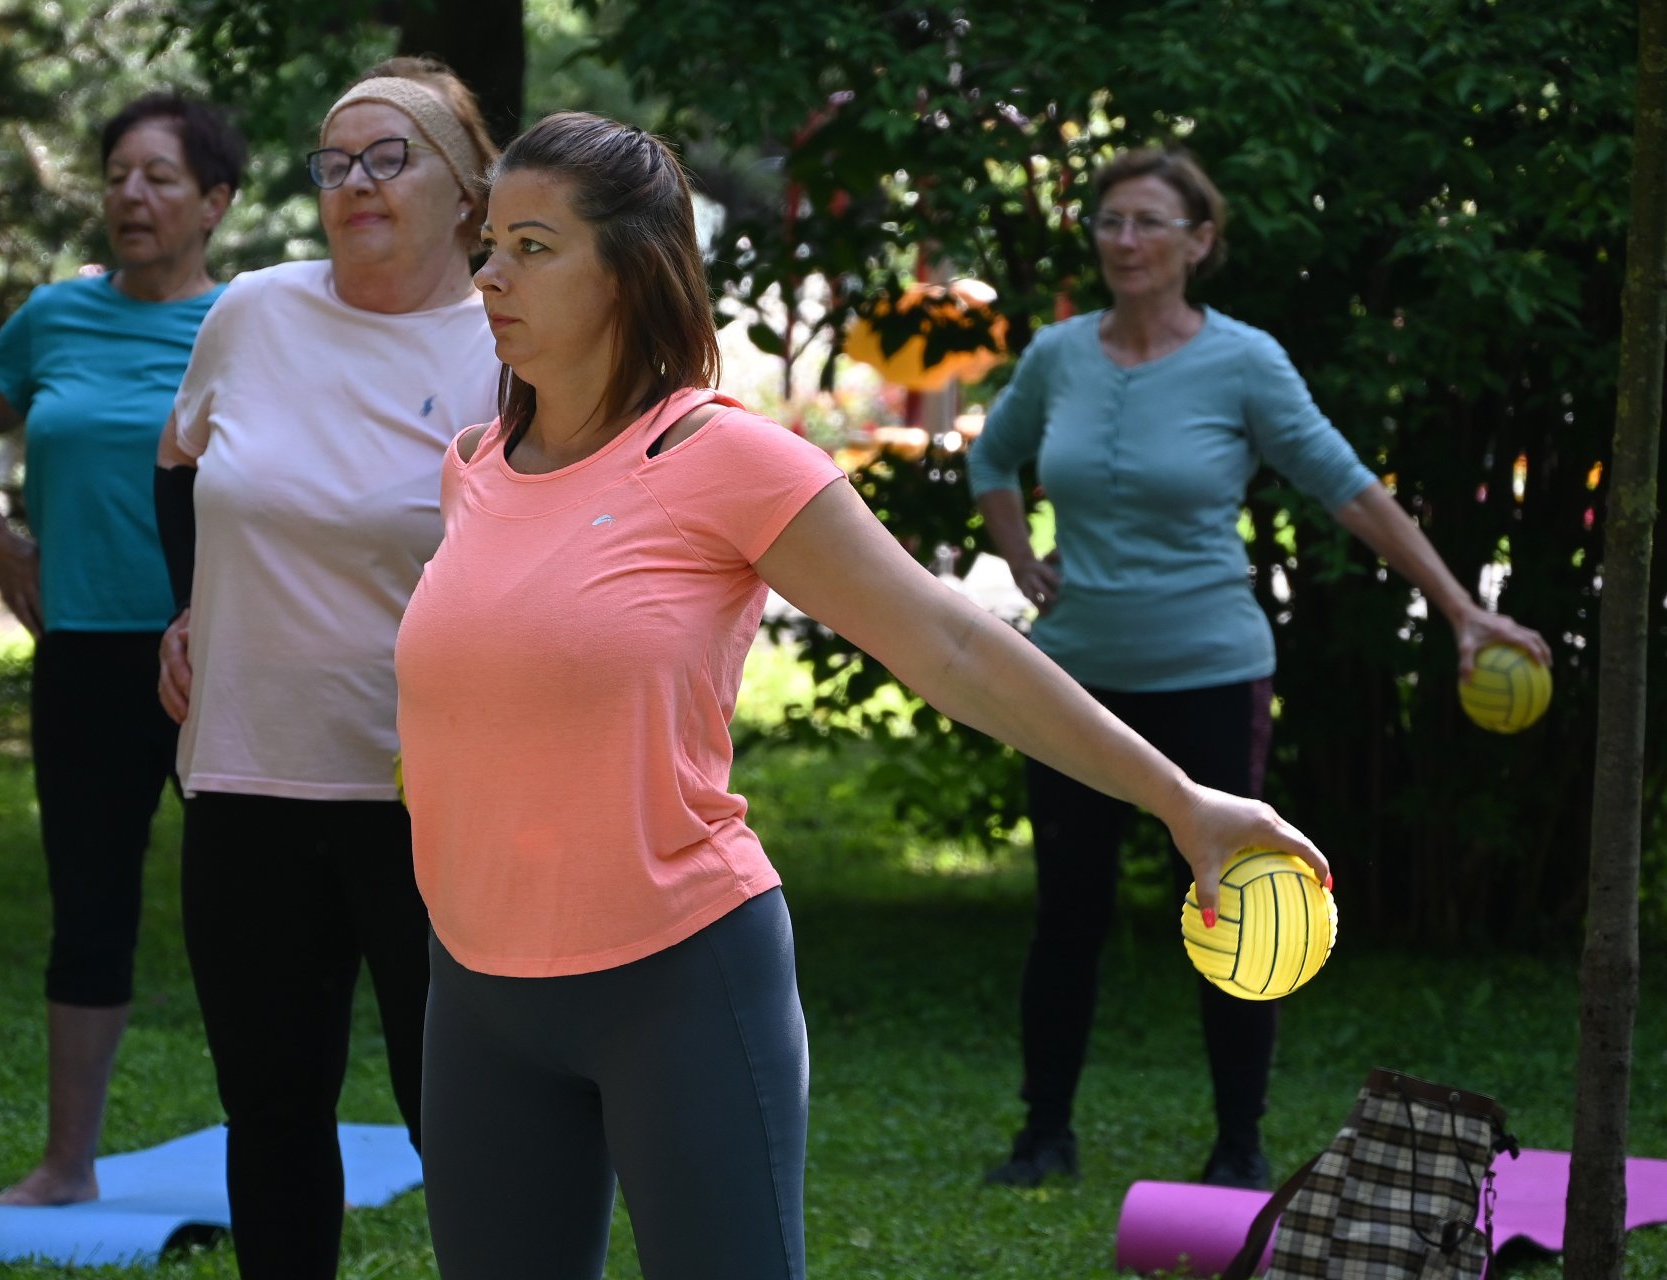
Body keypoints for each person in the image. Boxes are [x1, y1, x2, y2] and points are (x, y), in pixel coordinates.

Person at [393, 111, 1331, 1280]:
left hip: (674, 978)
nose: (488, 274)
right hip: (477, 990)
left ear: (636, 265)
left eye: (532, 246)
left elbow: (950, 643)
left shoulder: (724, 460)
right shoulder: (474, 466)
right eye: (488, 244)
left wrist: (1181, 798)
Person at [966, 147, 1552, 1191]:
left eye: (1149, 222)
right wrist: (1016, 553)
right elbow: (990, 456)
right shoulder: (1057, 353)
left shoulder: (1243, 361)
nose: (1126, 241)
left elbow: (1346, 483)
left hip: (1209, 670)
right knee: (1068, 912)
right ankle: (1042, 1133)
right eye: (1110, 221)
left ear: (1200, 242)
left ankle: (1240, 1142)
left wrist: (1460, 607)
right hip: (1073, 677)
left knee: (1238, 900)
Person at [152, 57, 500, 1280]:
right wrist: (189, 607)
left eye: (388, 157)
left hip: (429, 795)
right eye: (334, 161)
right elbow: (183, 460)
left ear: (467, 189)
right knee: (273, 1113)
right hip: (246, 772)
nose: (354, 181)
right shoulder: (254, 308)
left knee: (454, 1117)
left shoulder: (509, 337)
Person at [0, 93, 244, 1206]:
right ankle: (66, 1164)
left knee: (255, 913)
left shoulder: (245, 326)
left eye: (160, 177)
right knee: (89, 903)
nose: (131, 195)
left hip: (222, 660)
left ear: (215, 201)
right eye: (117, 174)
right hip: (83, 654)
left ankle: (274, 1144)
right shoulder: (53, 317)